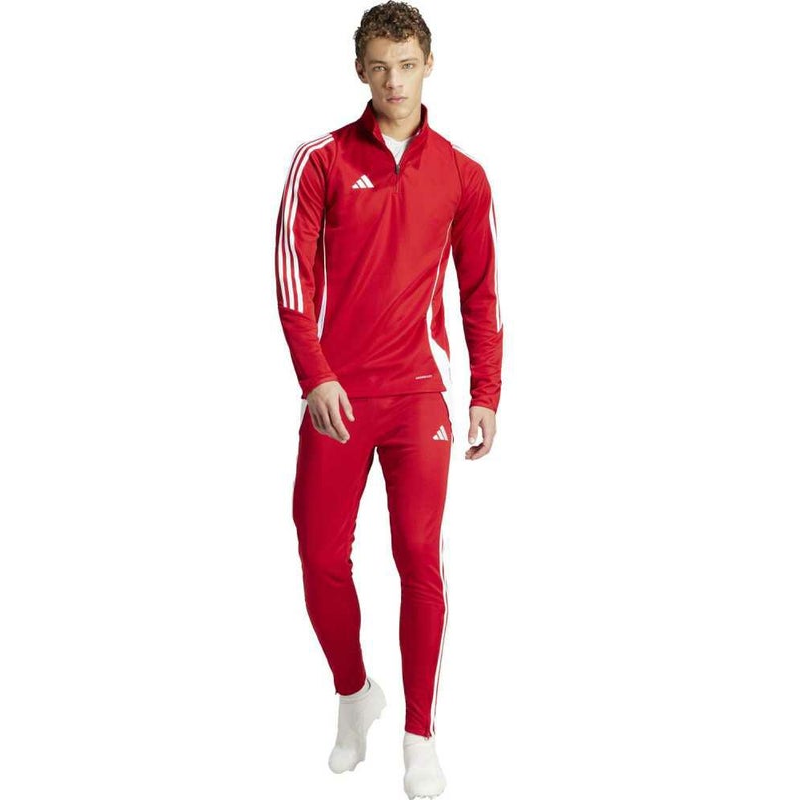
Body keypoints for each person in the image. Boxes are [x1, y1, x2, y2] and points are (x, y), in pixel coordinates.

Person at [273, 2, 503, 797]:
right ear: (360, 70)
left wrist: (485, 391)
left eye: (406, 65)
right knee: (318, 556)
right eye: (379, 67)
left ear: (428, 64)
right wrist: (316, 375)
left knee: (418, 557)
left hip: (418, 399)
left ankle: (419, 736)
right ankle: (354, 694)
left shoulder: (463, 175)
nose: (394, 81)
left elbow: (481, 293)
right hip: (337, 398)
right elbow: (292, 280)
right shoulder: (322, 160)